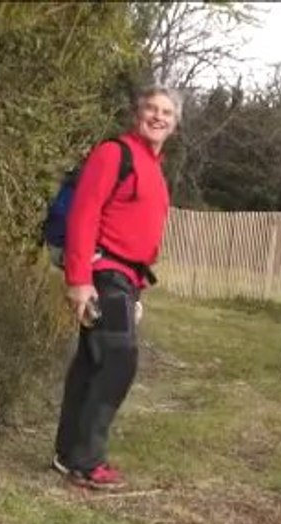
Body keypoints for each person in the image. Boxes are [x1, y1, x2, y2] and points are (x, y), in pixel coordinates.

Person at [51, 85, 180, 491]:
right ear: (137, 113)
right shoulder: (114, 154)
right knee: (119, 361)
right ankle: (88, 461)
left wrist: (137, 287)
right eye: (151, 109)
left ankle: (69, 453)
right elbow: (85, 212)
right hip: (103, 271)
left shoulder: (154, 168)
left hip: (127, 277)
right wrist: (78, 279)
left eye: (167, 112)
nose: (158, 117)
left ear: (174, 124)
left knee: (93, 362)